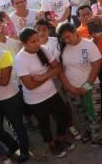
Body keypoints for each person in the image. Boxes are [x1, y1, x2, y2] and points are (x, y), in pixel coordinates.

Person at [14, 28, 75, 158]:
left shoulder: (43, 50)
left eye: (38, 40)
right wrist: (50, 74)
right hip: (35, 100)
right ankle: (52, 145)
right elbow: (29, 86)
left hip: (52, 93)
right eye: (33, 42)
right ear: (23, 44)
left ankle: (60, 139)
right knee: (44, 123)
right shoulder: (20, 60)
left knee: (63, 116)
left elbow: (59, 67)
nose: (37, 43)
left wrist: (42, 77)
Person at [56, 22, 102, 149]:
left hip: (90, 86)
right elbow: (60, 70)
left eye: (68, 36)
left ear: (75, 32)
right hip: (72, 88)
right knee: (81, 113)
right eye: (63, 38)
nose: (66, 40)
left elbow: (96, 66)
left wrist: (86, 87)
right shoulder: (62, 48)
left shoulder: (88, 45)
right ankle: (87, 133)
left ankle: (96, 139)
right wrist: (69, 88)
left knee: (94, 114)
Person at [0, 34, 30, 163]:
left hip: (10, 97)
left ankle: (24, 152)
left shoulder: (3, 55)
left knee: (18, 126)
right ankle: (13, 146)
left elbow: (4, 81)